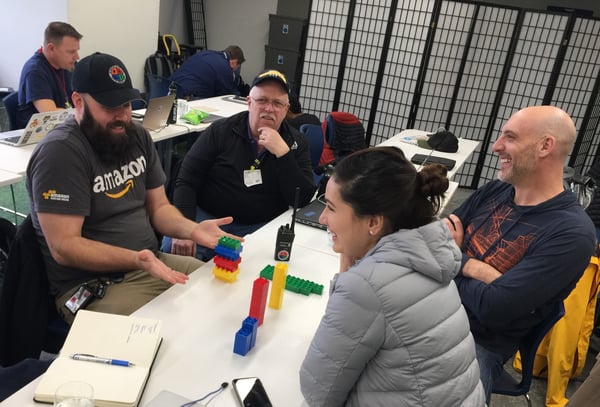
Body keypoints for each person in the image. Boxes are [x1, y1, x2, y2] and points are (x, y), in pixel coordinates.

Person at [26, 52, 241, 325]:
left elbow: (160, 208)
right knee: (171, 330)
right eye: (110, 107)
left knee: (225, 295)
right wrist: (137, 259)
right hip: (93, 285)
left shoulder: (136, 135)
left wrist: (192, 229)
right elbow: (64, 247)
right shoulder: (61, 154)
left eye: (127, 104)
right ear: (78, 102)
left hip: (148, 262)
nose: (123, 115)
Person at [299, 146, 486, 406]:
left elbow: (317, 391)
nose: (322, 218)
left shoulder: (367, 285)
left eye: (331, 208)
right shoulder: (429, 255)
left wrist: (350, 275)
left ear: (373, 223)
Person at [444, 105, 597, 404]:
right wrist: (474, 268)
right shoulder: (494, 191)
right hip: (429, 307)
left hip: (473, 341)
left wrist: (450, 262)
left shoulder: (571, 234)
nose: (496, 146)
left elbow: (494, 308)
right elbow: (434, 244)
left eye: (509, 137)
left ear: (545, 146)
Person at [162, 69, 315, 261]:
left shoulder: (295, 143)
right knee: (172, 248)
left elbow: (301, 200)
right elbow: (186, 179)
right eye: (262, 100)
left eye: (277, 103)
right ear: (249, 103)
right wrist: (185, 227)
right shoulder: (221, 131)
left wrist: (283, 155)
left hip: (259, 226)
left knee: (260, 272)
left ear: (286, 109)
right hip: (210, 218)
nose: (269, 108)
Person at [16, 21, 82, 129]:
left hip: (65, 128)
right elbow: (51, 114)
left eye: (77, 51)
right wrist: (85, 113)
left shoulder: (68, 65)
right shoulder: (35, 71)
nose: (77, 57)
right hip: (39, 136)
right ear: (51, 48)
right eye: (71, 52)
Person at [170, 45, 246, 100]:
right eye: (237, 67)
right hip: (189, 96)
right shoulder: (225, 67)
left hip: (171, 89)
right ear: (234, 63)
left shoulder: (206, 53)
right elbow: (228, 95)